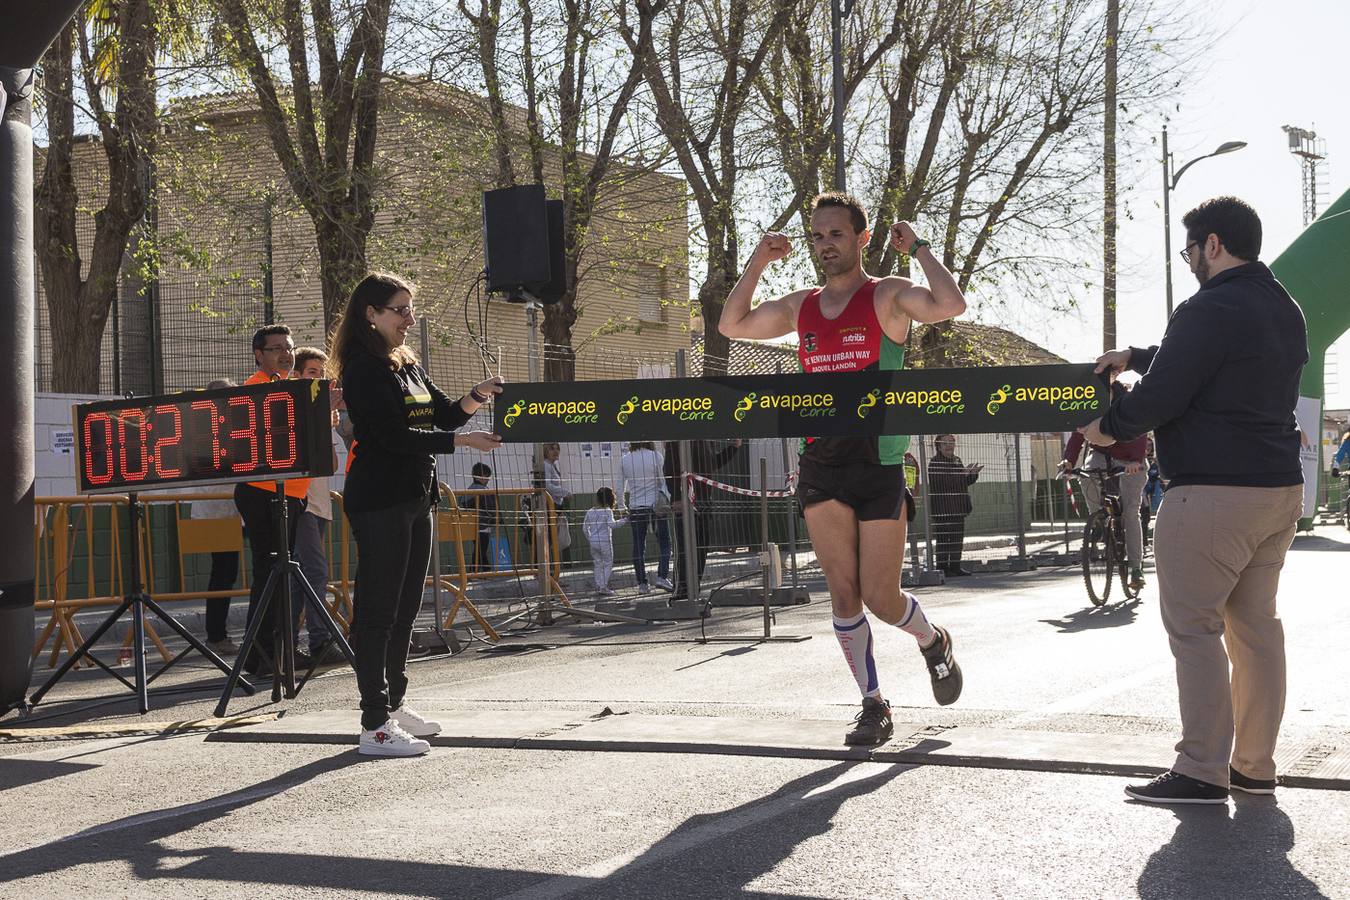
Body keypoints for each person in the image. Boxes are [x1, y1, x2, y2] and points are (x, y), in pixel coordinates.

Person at [718, 191, 967, 745]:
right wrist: (759, 260)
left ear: (862, 238)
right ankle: (873, 704)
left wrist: (920, 247)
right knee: (843, 593)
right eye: (816, 236)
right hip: (821, 466)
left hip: (878, 464)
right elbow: (732, 325)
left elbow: (951, 305)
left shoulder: (889, 297)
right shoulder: (799, 306)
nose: (825, 245)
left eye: (835, 234)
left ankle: (932, 640)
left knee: (882, 598)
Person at [1081, 197, 1308, 804]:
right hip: (1277, 489)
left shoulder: (1208, 307)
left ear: (1212, 244)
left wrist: (1105, 426)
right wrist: (1138, 357)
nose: (1189, 263)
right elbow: (1215, 363)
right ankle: (1255, 767)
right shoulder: (1283, 308)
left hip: (1210, 493)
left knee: (1195, 629)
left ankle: (1202, 769)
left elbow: (1164, 397)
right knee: (1257, 630)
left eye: (1190, 251)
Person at [333, 271, 502, 758]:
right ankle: (373, 725)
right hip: (379, 497)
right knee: (378, 611)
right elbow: (392, 437)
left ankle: (393, 705)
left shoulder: (405, 362)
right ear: (371, 313)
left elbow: (444, 416)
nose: (409, 319)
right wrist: (462, 442)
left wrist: (477, 395)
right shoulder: (364, 368)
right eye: (400, 310)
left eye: (410, 309)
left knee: (406, 610)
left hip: (415, 497)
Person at [234, 324, 308, 676]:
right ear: (259, 355)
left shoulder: (291, 390)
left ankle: (276, 651)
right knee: (270, 572)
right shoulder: (256, 390)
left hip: (292, 493)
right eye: (276, 347)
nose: (285, 354)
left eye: (289, 347)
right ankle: (260, 655)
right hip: (264, 492)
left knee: (281, 574)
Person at [1058, 410, 1149, 592]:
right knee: (1084, 475)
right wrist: (1068, 460)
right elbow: (1079, 433)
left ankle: (1135, 568)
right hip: (1100, 456)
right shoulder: (1093, 402)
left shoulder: (1127, 401)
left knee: (1130, 513)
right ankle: (1099, 518)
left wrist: (1135, 460)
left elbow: (1140, 432)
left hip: (1130, 458)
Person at [290, 347, 340, 665]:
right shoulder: (291, 408)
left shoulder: (324, 414)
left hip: (319, 502)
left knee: (300, 575)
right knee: (315, 570)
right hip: (300, 502)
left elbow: (331, 464)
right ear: (297, 376)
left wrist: (326, 422)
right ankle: (320, 640)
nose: (318, 379)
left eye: (322, 374)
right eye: (312, 373)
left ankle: (289, 644)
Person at [192, 379, 243, 654]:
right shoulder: (203, 428)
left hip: (236, 508)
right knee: (223, 572)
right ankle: (216, 635)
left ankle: (220, 634)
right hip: (215, 511)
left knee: (230, 571)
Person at [663, 438, 742, 599]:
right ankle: (682, 589)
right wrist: (677, 496)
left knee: (701, 548)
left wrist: (733, 448)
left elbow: (712, 463)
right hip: (684, 502)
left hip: (704, 501)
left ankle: (694, 588)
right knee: (685, 548)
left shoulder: (707, 440)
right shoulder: (676, 438)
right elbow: (669, 468)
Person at [926, 435, 982, 577]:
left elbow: (962, 482)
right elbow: (944, 483)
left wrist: (972, 475)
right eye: (945, 443)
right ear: (938, 446)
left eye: (951, 442)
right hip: (943, 508)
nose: (949, 445)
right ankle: (943, 568)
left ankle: (956, 566)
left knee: (957, 539)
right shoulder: (935, 463)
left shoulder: (957, 460)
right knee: (944, 540)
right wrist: (962, 474)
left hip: (959, 507)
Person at [621, 441, 672, 593]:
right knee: (664, 543)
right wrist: (665, 498)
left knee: (638, 545)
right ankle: (662, 577)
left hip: (636, 507)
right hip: (656, 507)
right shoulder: (656, 456)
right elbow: (663, 481)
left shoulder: (625, 459)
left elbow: (619, 485)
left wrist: (621, 506)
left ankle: (642, 584)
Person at [583, 487, 628, 596]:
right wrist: (625, 520)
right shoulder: (607, 511)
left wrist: (590, 538)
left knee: (597, 564)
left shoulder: (590, 511)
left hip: (593, 542)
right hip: (605, 541)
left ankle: (599, 585)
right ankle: (603, 586)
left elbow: (584, 528)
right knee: (608, 563)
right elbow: (612, 525)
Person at [462, 462, 498, 572]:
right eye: (487, 477)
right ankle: (473, 571)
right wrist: (495, 519)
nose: (488, 480)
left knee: (480, 549)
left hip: (470, 526)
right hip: (483, 526)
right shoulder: (485, 491)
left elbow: (463, 506)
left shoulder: (468, 490)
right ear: (482, 477)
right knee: (481, 550)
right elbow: (491, 509)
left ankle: (487, 570)